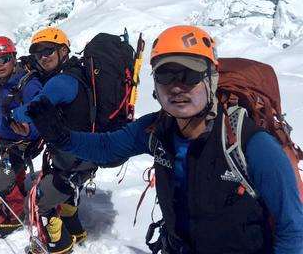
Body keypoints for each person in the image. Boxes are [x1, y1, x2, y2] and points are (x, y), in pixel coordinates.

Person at [28, 25, 303, 254]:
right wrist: (62, 138)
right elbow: (107, 147)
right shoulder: (157, 130)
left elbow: (292, 230)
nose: (176, 86)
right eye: (165, 75)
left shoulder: (251, 145)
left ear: (212, 78)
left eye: (190, 74)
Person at [12, 27, 96, 253]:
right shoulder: (75, 74)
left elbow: (34, 108)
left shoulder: (62, 81)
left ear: (63, 51)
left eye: (48, 50)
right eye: (38, 53)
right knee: (65, 190)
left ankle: (58, 245)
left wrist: (14, 114)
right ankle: (76, 231)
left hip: (74, 158)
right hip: (85, 153)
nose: (43, 57)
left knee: (42, 200)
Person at [0, 36, 43, 240]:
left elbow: (43, 118)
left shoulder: (29, 85)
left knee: (0, 182)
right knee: (12, 173)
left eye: (4, 59)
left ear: (13, 58)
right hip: (6, 139)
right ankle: (13, 194)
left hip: (23, 142)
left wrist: (28, 131)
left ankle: (14, 215)